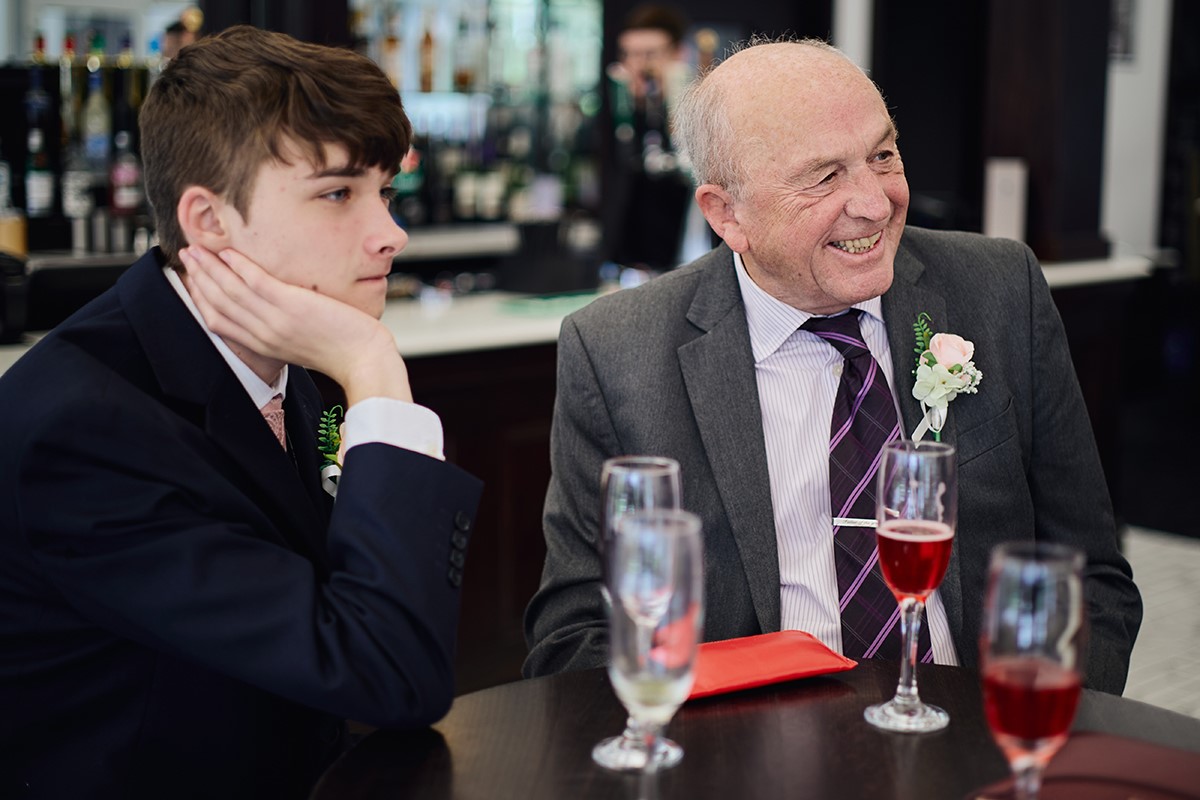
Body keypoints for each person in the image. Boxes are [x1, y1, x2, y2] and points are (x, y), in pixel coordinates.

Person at [524, 38, 1142, 694]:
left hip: (978, 728)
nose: (876, 203)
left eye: (882, 156)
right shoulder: (617, 352)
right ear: (726, 214)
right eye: (824, 177)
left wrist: (1031, 732)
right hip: (745, 738)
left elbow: (1092, 577)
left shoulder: (999, 290)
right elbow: (574, 635)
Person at [0, 25, 482, 799]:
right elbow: (388, 675)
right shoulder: (83, 430)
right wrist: (373, 366)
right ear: (208, 221)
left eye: (384, 192)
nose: (391, 234)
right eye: (338, 193)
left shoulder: (289, 358)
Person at [604, 4, 695, 270]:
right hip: (626, 259)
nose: (639, 65)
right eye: (629, 54)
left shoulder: (696, 111)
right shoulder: (617, 112)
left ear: (678, 54)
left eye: (650, 54)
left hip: (682, 256)